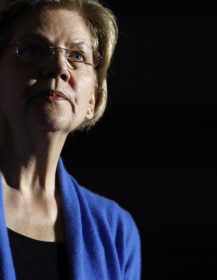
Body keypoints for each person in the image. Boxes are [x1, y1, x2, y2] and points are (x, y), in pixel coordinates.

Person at [0, 0, 141, 279]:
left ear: (93, 99)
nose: (58, 66)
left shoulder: (114, 230)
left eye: (77, 56)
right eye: (32, 49)